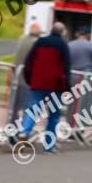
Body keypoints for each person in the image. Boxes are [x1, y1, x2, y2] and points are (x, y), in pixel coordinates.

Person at [19, 22, 71, 153]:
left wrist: (29, 79)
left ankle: (24, 132)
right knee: (53, 116)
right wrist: (67, 87)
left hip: (38, 83)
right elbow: (66, 68)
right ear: (62, 32)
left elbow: (29, 61)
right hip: (55, 85)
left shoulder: (40, 42)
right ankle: (48, 146)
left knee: (33, 110)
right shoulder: (63, 45)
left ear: (51, 30)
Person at [10, 22, 43, 124]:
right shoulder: (36, 42)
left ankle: (12, 126)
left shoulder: (21, 39)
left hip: (17, 77)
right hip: (28, 80)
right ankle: (23, 128)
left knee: (15, 105)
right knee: (27, 106)